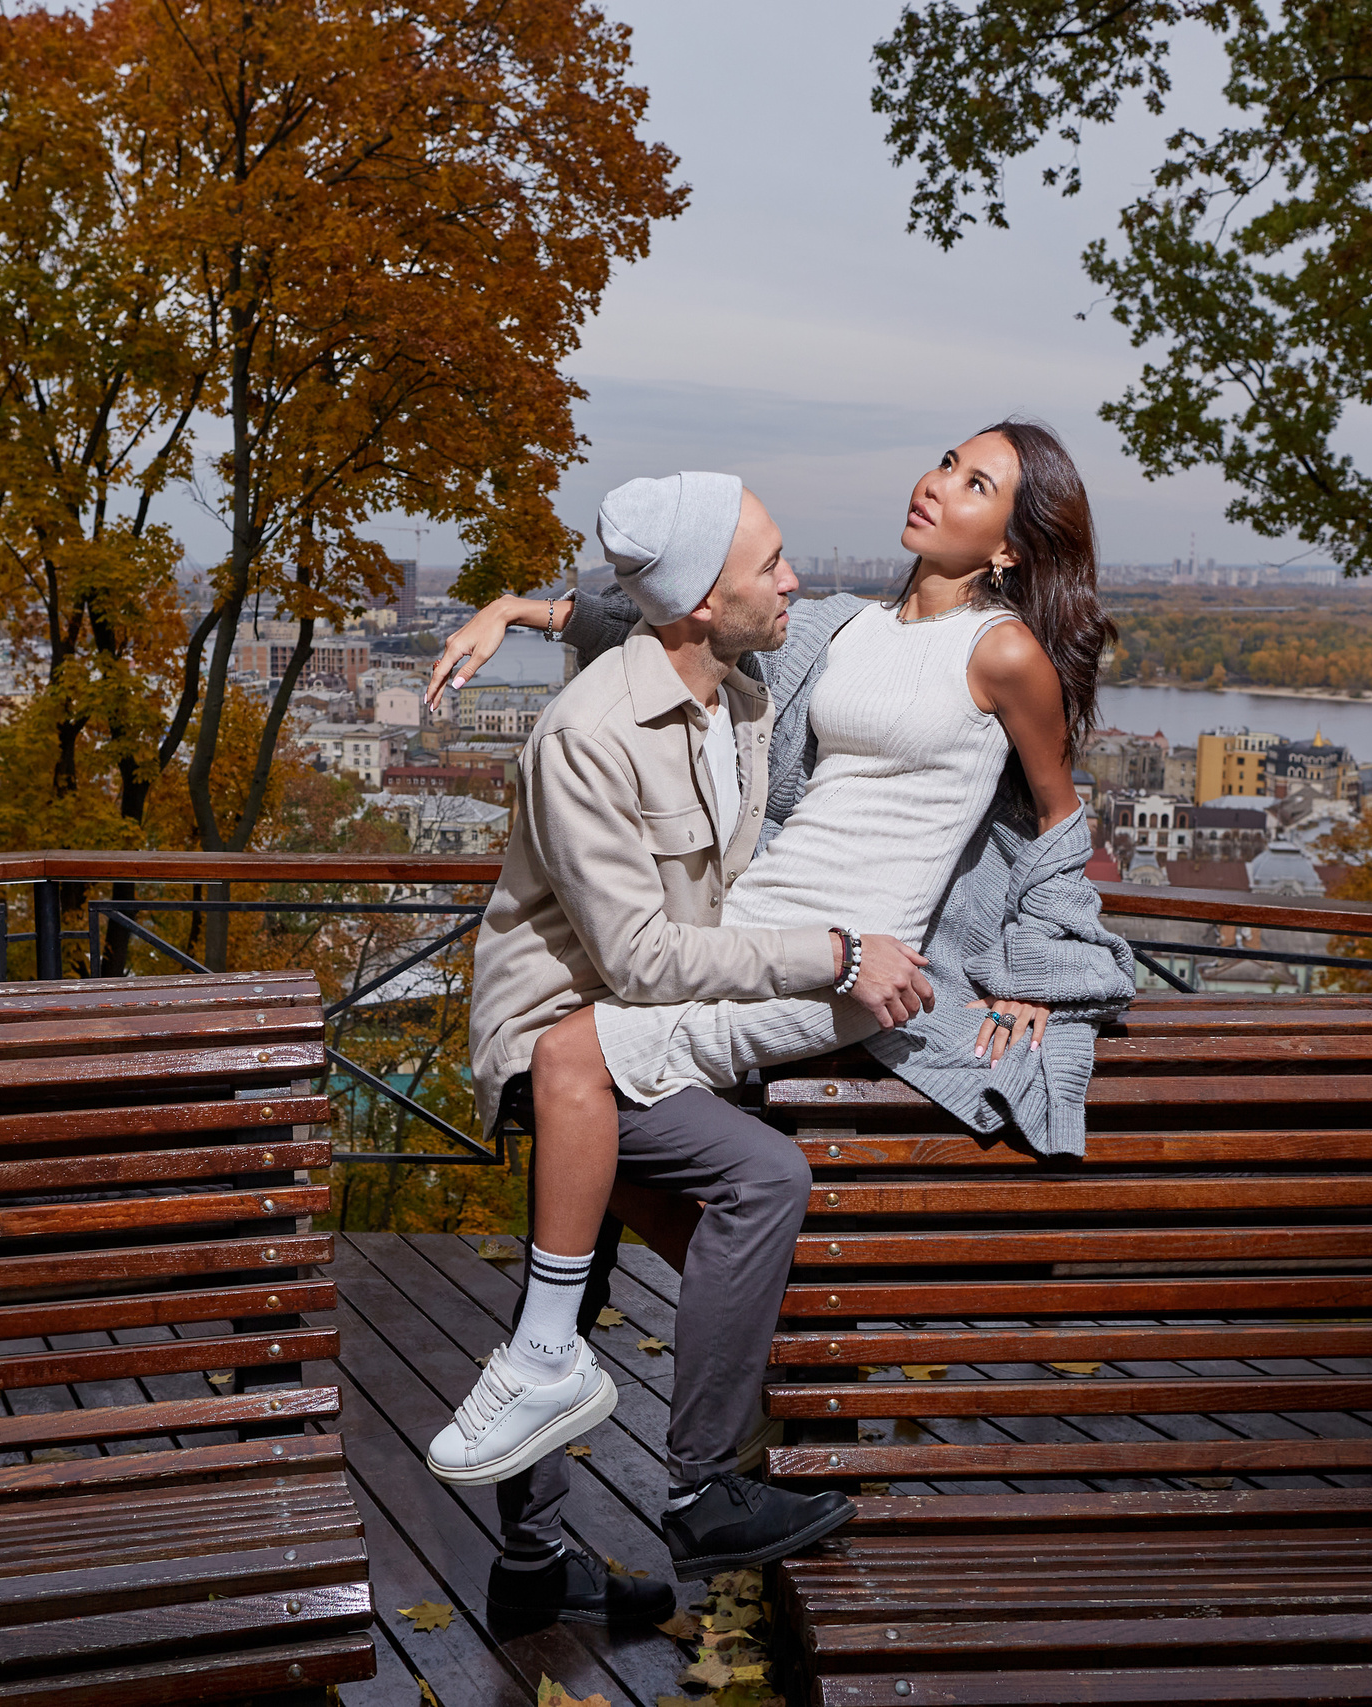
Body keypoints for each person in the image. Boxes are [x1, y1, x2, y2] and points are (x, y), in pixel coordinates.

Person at [430, 422, 1136, 1613]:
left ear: (1013, 545)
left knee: (570, 1059)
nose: (936, 482)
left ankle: (643, 1480)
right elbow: (682, 624)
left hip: (841, 967)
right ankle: (544, 1548)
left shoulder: (1005, 650)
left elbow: (1060, 825)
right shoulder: (846, 624)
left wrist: (1036, 968)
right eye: (945, 460)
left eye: (976, 484)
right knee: (586, 1186)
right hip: (759, 930)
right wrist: (521, 607)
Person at [432, 470, 932, 1637]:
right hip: (561, 1041)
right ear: (705, 602)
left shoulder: (738, 694)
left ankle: (532, 1559)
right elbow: (646, 960)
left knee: (571, 1288)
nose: (793, 580)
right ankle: (705, 1487)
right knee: (761, 1182)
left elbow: (624, 615)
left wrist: (515, 604)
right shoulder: (587, 737)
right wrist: (835, 951)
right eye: (769, 564)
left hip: (657, 1037)